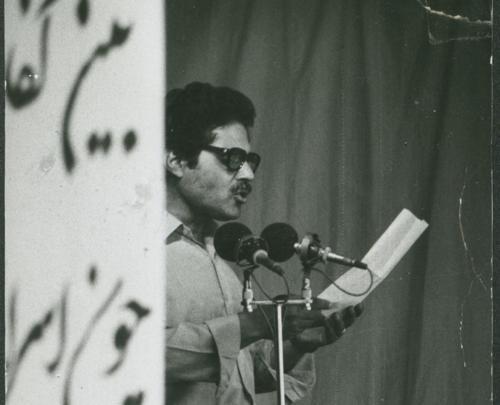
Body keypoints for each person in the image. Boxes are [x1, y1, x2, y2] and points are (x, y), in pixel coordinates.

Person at [165, 82, 363, 404]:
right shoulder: (132, 252)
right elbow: (139, 354)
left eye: (250, 161)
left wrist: (295, 343)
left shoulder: (217, 259)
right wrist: (254, 326)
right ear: (176, 160)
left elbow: (235, 374)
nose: (248, 175)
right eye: (232, 158)